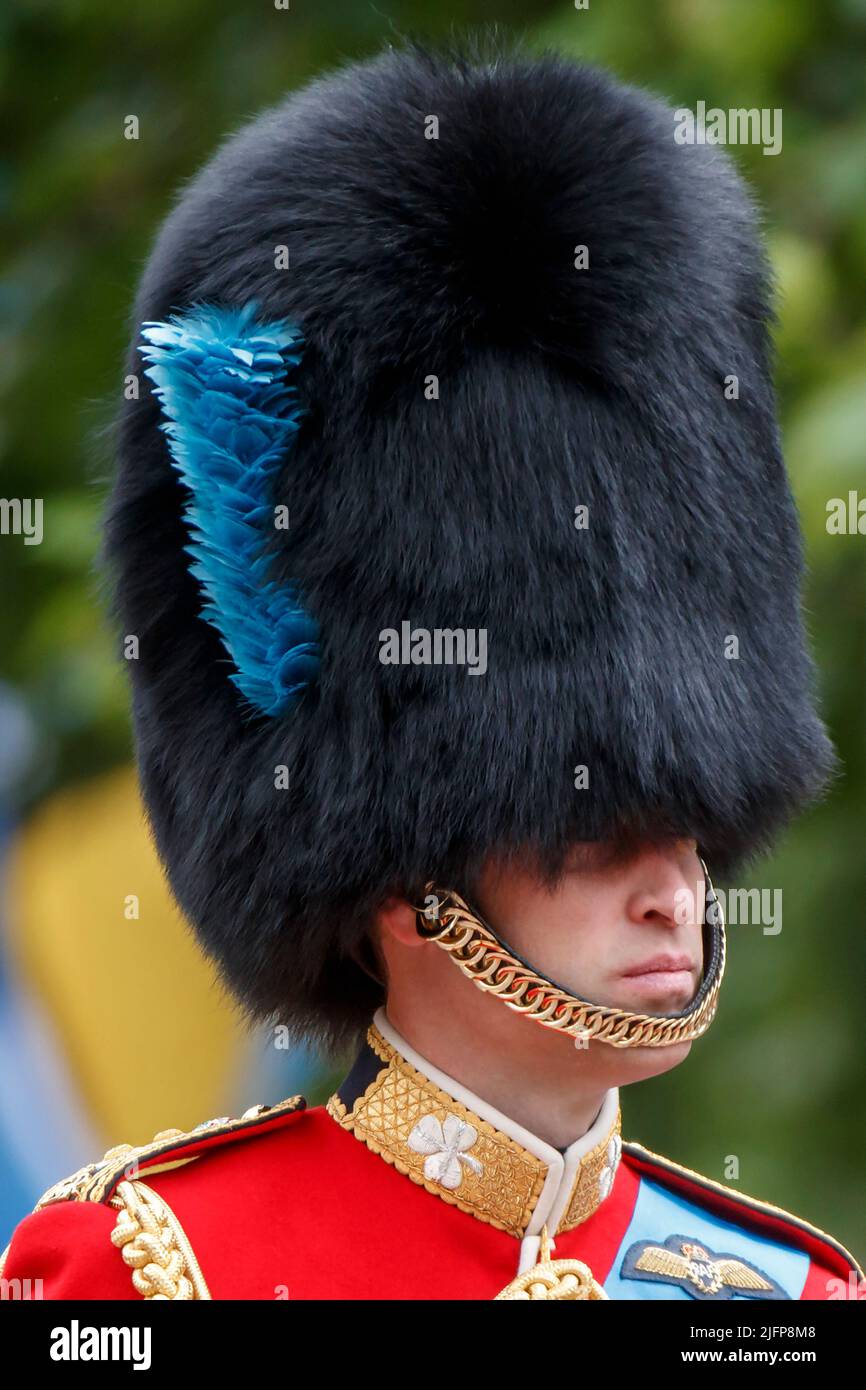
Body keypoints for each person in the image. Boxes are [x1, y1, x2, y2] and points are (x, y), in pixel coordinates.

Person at [1, 40, 861, 1302]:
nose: (675, 893)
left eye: (684, 829)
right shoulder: (145, 1269)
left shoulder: (782, 1297)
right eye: (597, 827)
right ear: (408, 880)